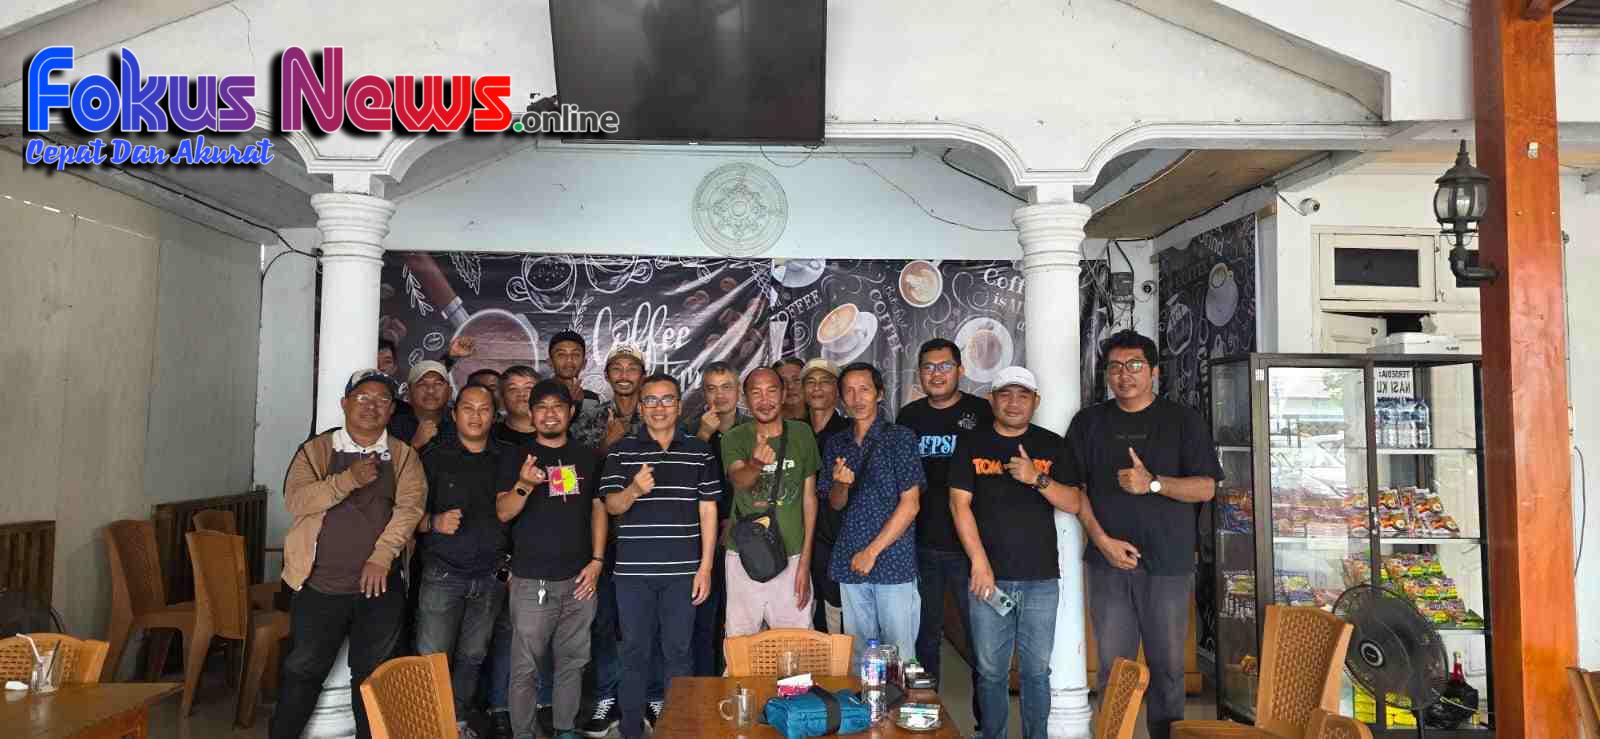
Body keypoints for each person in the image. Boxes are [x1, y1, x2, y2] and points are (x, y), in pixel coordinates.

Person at [1060, 330, 1222, 739]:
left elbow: (1207, 487)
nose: (1124, 374)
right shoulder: (1088, 423)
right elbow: (1076, 492)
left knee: (1168, 670)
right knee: (1115, 671)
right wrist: (1102, 542)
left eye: (1134, 365)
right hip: (1108, 565)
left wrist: (1152, 483)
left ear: (1154, 372)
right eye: (1115, 367)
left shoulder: (1183, 421)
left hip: (1168, 565)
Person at [271, 369, 426, 739]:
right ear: (344, 403)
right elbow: (296, 501)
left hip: (379, 588)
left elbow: (410, 510)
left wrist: (381, 557)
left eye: (382, 400)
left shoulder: (403, 455)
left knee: (373, 678)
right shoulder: (316, 450)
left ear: (392, 411)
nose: (372, 406)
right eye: (362, 397)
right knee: (302, 671)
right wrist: (348, 481)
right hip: (318, 584)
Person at [948, 367, 1081, 739]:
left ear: (1036, 402)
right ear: (991, 400)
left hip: (1041, 579)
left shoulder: (1052, 445)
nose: (1013, 403)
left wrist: (1036, 477)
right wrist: (979, 563)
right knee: (991, 672)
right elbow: (959, 505)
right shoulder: (972, 444)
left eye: (1023, 395)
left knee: (1036, 672)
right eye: (1005, 394)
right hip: (989, 579)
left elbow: (1074, 502)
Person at [600, 373, 721, 739]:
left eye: (667, 399)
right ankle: (631, 731)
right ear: (640, 408)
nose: (659, 408)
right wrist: (635, 489)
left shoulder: (699, 450)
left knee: (679, 654)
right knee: (634, 653)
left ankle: (676, 730)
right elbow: (611, 505)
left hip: (683, 574)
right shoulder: (621, 450)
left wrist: (705, 568)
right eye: (650, 400)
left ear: (679, 406)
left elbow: (708, 510)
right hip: (633, 575)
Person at [497, 380, 607, 739]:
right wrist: (525, 483)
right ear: (530, 414)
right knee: (525, 668)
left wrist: (597, 561)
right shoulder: (515, 456)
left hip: (579, 580)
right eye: (541, 407)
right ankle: (524, 734)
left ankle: (565, 730)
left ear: (570, 412)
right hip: (532, 581)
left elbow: (598, 509)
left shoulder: (588, 457)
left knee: (573, 663)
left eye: (557, 406)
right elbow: (503, 512)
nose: (549, 414)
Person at [896, 338, 992, 702]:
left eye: (944, 366)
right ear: (919, 374)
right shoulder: (909, 417)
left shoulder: (981, 412)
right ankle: (926, 715)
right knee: (924, 637)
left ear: (960, 370)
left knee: (981, 637)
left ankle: (986, 721)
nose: (936, 374)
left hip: (971, 548)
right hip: (921, 544)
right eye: (928, 367)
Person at [414, 385, 509, 739]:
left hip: (490, 576)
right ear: (454, 415)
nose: (476, 416)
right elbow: (403, 512)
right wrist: (433, 522)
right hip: (443, 573)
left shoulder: (506, 457)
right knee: (432, 656)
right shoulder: (433, 457)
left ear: (494, 416)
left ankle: (457, 723)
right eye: (468, 408)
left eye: (484, 409)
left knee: (473, 656)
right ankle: (429, 728)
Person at [817, 362, 925, 667]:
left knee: (900, 655)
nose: (857, 398)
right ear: (841, 398)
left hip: (892, 560)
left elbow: (911, 504)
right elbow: (835, 503)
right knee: (860, 656)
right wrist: (840, 484)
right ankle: (866, 701)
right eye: (849, 391)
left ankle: (901, 700)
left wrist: (872, 552)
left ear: (879, 393)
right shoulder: (837, 443)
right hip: (851, 558)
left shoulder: (900, 438)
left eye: (864, 389)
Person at [576, 344, 652, 738]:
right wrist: (608, 443)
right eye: (617, 368)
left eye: (631, 368)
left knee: (649, 621)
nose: (624, 374)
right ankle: (607, 698)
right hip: (602, 537)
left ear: (643, 374)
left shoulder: (656, 412)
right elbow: (576, 474)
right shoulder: (591, 415)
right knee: (605, 621)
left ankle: (653, 696)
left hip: (649, 535)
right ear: (607, 375)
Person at [720, 368, 820, 636]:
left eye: (771, 391)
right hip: (744, 554)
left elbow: (809, 500)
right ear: (746, 399)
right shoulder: (734, 437)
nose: (765, 400)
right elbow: (739, 480)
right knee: (741, 640)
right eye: (756, 393)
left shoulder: (802, 434)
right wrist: (755, 464)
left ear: (784, 394)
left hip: (792, 554)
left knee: (796, 643)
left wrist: (805, 563)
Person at [684, 361, 748, 676]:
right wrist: (703, 435)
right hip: (698, 539)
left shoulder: (753, 428)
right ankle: (703, 684)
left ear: (738, 391)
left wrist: (734, 521)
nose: (719, 395)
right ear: (703, 393)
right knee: (703, 618)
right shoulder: (688, 430)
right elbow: (680, 482)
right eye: (711, 388)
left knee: (742, 619)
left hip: (746, 536)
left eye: (726, 388)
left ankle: (738, 681)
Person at [802, 358, 850, 635]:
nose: (817, 388)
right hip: (799, 537)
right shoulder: (793, 430)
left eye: (825, 382)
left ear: (837, 390)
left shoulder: (849, 431)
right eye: (811, 382)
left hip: (837, 536)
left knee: (836, 610)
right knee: (803, 607)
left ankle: (838, 661)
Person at [391, 360, 456, 449]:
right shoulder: (393, 425)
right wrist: (415, 444)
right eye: (422, 384)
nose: (430, 390)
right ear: (408, 393)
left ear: (450, 392)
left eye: (438, 384)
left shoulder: (460, 422)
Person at [548, 330, 604, 419]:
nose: (569, 360)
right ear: (550, 362)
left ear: (584, 363)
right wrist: (569, 402)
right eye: (561, 355)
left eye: (575, 355)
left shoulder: (591, 399)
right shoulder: (539, 395)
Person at [493, 366, 540, 446]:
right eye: (513, 389)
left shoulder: (557, 434)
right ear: (502, 397)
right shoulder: (489, 437)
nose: (521, 394)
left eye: (528, 388)